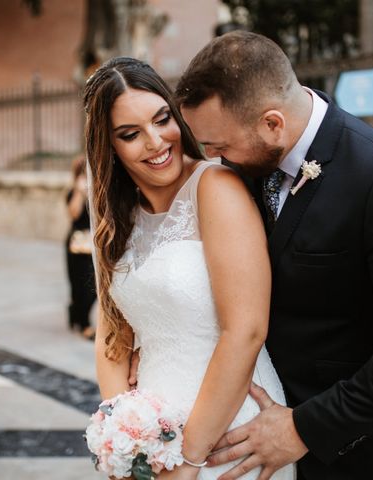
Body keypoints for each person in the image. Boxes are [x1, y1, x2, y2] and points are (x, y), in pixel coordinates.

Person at [171, 31, 373, 480]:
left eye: (220, 145)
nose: (211, 158)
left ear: (273, 124)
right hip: (248, 431)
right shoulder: (245, 165)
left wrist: (304, 428)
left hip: (351, 452)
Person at [83, 56, 295, 480]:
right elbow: (112, 338)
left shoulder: (216, 187)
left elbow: (247, 330)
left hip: (227, 429)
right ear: (109, 147)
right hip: (154, 431)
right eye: (130, 134)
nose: (156, 142)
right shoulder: (114, 221)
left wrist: (188, 460)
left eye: (162, 120)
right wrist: (126, 433)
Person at [65, 155, 97, 341]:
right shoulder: (73, 193)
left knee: (93, 287)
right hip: (76, 245)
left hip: (94, 245)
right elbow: (73, 213)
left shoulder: (97, 191)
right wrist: (79, 191)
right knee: (78, 285)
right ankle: (83, 323)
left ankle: (75, 313)